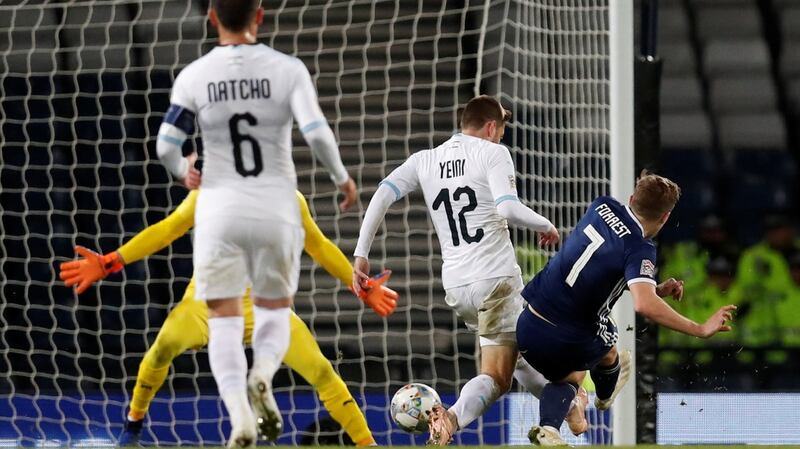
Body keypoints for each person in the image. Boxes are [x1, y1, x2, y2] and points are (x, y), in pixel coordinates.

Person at [152, 0, 357, 445]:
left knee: (222, 320)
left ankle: (240, 416)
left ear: (212, 18)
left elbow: (166, 144)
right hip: (276, 206)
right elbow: (316, 130)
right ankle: (262, 374)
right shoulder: (288, 69)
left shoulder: (195, 75)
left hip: (219, 210)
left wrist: (182, 169)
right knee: (273, 311)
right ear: (259, 16)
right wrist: (342, 178)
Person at [59, 190, 391, 447]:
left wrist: (360, 287)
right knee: (162, 349)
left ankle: (368, 443)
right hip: (206, 303)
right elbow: (166, 230)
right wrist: (111, 261)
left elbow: (318, 245)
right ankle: (132, 427)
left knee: (319, 368)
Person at [351, 95, 584, 446]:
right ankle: (455, 419)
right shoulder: (492, 153)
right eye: (501, 129)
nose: (501, 137)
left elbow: (383, 193)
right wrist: (545, 224)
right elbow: (508, 208)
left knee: (514, 358)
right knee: (506, 374)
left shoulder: (425, 160)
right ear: (491, 127)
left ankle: (568, 412)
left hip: (458, 286)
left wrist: (361, 254)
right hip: (496, 279)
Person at [517, 172, 736, 446]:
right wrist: (700, 329)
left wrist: (655, 288)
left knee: (573, 372)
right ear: (666, 217)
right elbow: (643, 305)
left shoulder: (602, 205)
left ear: (632, 199)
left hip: (527, 327)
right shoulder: (640, 247)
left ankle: (549, 428)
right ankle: (603, 396)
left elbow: (599, 268)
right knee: (608, 345)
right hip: (566, 339)